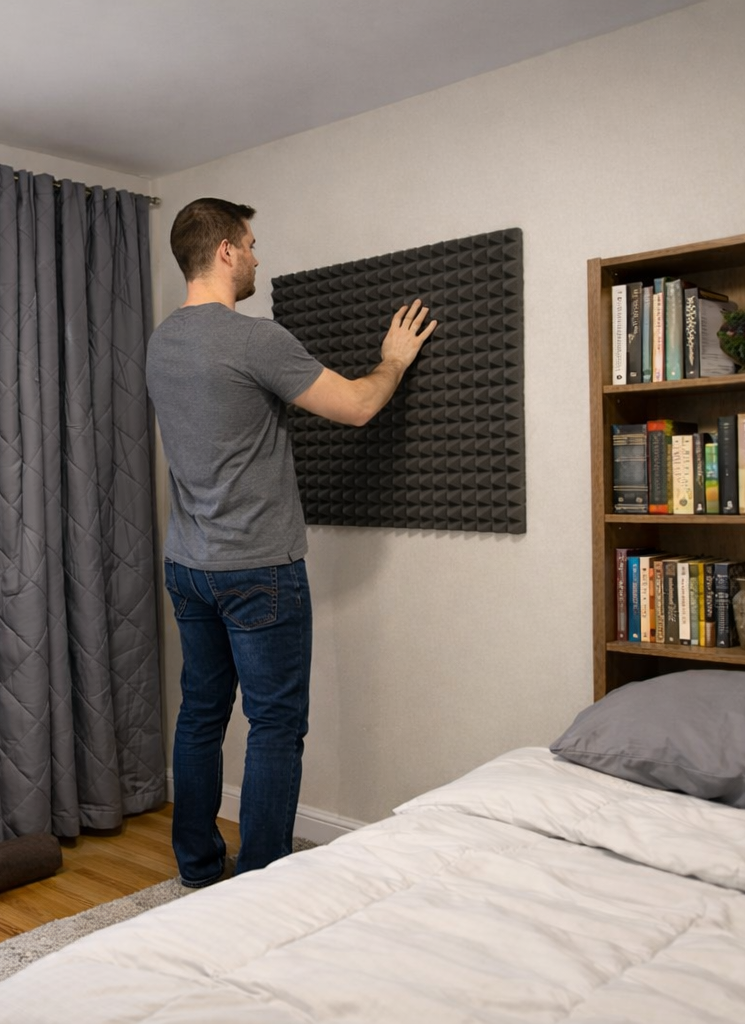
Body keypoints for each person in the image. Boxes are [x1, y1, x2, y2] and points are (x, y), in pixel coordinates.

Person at [147, 197, 436, 887]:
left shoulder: (162, 341)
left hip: (189, 565)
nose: (256, 256)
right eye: (249, 243)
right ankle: (262, 884)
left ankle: (196, 868)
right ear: (223, 251)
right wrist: (392, 360)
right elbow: (361, 406)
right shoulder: (256, 340)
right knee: (274, 724)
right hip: (258, 569)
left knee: (201, 716)